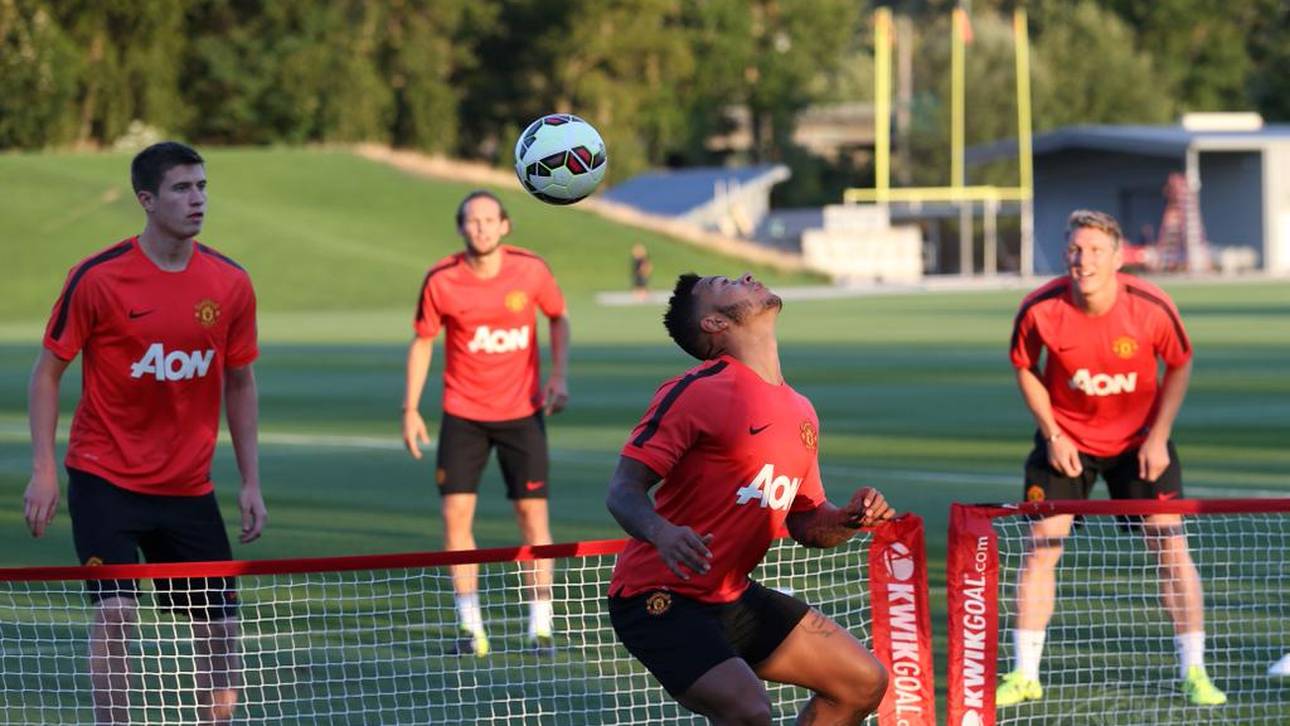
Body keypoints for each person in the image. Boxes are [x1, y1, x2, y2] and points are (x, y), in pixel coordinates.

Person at [23, 141, 268, 724]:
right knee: (116, 615)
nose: (198, 200)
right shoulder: (98, 278)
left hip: (188, 488)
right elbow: (47, 372)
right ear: (146, 200)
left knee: (222, 627)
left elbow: (240, 382)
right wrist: (42, 468)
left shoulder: (230, 282)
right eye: (182, 189)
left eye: (202, 187)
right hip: (104, 476)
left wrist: (251, 481)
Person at [605, 272, 893, 724]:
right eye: (726, 285)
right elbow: (622, 490)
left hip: (731, 596)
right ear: (715, 325)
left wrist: (851, 518)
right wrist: (662, 533)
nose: (747, 277)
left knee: (862, 682)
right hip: (656, 596)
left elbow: (807, 523)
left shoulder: (801, 409)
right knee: (749, 710)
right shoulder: (697, 390)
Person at [998, 209, 1225, 707]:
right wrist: (1053, 433)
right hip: (1066, 441)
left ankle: (1194, 671)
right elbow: (1024, 366)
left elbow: (1180, 363)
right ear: (1067, 255)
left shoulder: (1150, 306)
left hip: (1139, 441)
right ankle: (1024, 674)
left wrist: (1159, 436)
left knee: (1170, 547)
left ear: (1119, 258)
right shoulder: (1040, 308)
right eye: (1077, 250)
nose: (1085, 260)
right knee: (1041, 549)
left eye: (1097, 251)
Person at [402, 190, 570, 657]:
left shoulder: (531, 270)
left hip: (523, 412)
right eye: (472, 221)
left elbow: (558, 317)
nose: (481, 228)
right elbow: (422, 341)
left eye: (489, 220)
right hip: (463, 414)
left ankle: (541, 626)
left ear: (505, 226)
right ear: (460, 228)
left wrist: (558, 375)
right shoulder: (441, 280)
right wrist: (411, 407)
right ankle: (469, 626)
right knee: (455, 517)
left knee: (532, 517)